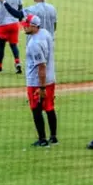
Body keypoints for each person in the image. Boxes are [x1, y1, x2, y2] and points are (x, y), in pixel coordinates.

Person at [23, 14, 57, 147]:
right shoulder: (45, 33)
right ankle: (53, 137)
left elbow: (41, 66)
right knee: (49, 107)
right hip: (50, 78)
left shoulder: (34, 44)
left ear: (34, 26)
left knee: (36, 109)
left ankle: (42, 139)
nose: (24, 27)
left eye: (27, 25)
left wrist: (41, 88)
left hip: (37, 82)